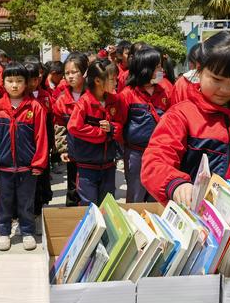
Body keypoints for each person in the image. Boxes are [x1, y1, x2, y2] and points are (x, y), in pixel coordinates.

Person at [141, 31, 230, 206]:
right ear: (199, 69)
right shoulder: (181, 115)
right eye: (217, 79)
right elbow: (155, 162)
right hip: (193, 214)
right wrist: (177, 185)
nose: (225, 89)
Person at [0, 62, 48, 252]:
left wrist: (39, 163)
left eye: (19, 81)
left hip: (27, 167)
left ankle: (27, 231)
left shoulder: (35, 107)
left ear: (26, 83)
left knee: (27, 201)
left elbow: (41, 137)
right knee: (4, 201)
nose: (14, 85)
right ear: (3, 83)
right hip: (4, 167)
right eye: (10, 81)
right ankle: (3, 232)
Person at [67, 59, 124, 205]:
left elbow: (120, 124)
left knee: (108, 205)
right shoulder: (84, 102)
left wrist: (112, 128)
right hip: (87, 166)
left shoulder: (115, 100)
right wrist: (99, 133)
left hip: (108, 165)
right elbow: (74, 127)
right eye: (112, 79)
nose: (116, 82)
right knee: (89, 206)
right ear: (98, 80)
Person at [120, 46, 171, 202]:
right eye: (157, 67)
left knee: (157, 196)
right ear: (145, 70)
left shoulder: (166, 90)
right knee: (135, 196)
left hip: (160, 153)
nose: (161, 70)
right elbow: (119, 125)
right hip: (136, 154)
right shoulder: (127, 94)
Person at [53, 53, 88, 206]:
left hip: (92, 151)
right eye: (67, 73)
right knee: (73, 186)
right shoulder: (62, 99)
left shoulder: (94, 95)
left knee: (90, 186)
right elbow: (59, 126)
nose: (70, 76)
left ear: (85, 72)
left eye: (75, 72)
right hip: (73, 150)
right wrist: (63, 149)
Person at [24, 61, 54, 229]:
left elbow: (50, 122)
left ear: (37, 79)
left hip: (43, 144)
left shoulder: (46, 96)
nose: (29, 83)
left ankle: (40, 208)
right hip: (26, 145)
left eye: (33, 79)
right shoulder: (19, 98)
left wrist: (51, 144)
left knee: (42, 177)